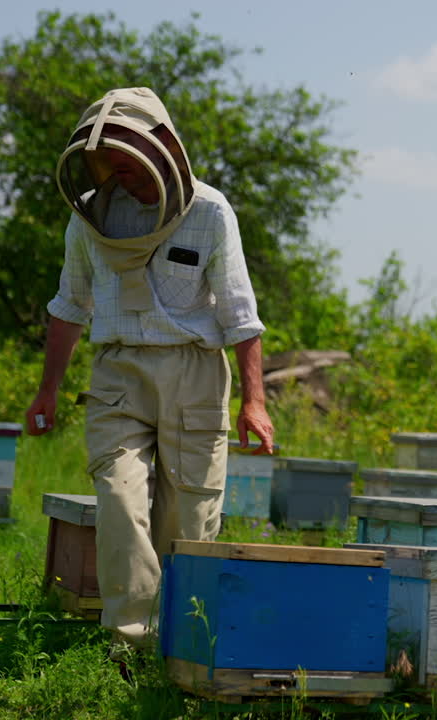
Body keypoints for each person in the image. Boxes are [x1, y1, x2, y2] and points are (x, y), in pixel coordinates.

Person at [25, 87, 273, 653]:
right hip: (117, 373)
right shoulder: (90, 217)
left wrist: (254, 401)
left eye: (130, 163)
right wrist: (47, 391)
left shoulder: (209, 211)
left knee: (188, 519)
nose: (123, 176)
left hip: (195, 375)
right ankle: (129, 647)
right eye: (111, 164)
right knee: (119, 502)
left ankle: (183, 644)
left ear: (162, 149)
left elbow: (240, 312)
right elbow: (69, 305)